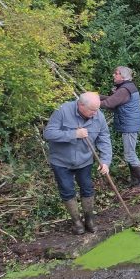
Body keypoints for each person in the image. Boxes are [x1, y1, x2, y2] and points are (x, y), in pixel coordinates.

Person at [43, 92, 112, 235]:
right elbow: (48, 133)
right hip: (61, 161)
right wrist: (73, 134)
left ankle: (89, 220)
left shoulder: (98, 115)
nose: (95, 113)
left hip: (84, 160)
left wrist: (105, 161)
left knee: (87, 188)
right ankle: (77, 222)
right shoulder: (62, 110)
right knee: (67, 190)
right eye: (92, 110)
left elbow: (104, 137)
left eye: (97, 110)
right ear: (80, 105)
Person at [100, 66, 140, 189]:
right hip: (129, 124)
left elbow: (109, 103)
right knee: (129, 153)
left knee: (130, 154)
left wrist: (91, 102)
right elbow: (112, 100)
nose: (113, 75)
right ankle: (135, 180)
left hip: (129, 126)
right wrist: (97, 96)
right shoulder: (128, 87)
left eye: (116, 73)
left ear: (123, 76)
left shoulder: (124, 90)